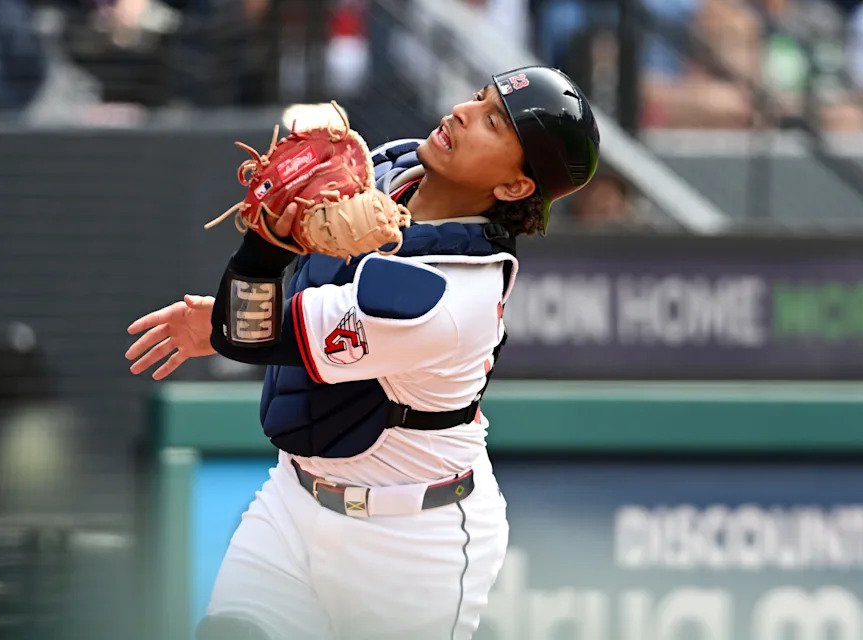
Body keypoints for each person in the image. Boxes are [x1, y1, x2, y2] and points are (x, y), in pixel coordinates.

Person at [126, 65, 599, 640]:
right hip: (295, 502)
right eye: (480, 97)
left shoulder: (447, 298)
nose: (464, 112)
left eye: (494, 122)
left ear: (515, 187)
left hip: (410, 544)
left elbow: (247, 334)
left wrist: (265, 244)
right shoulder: (389, 168)